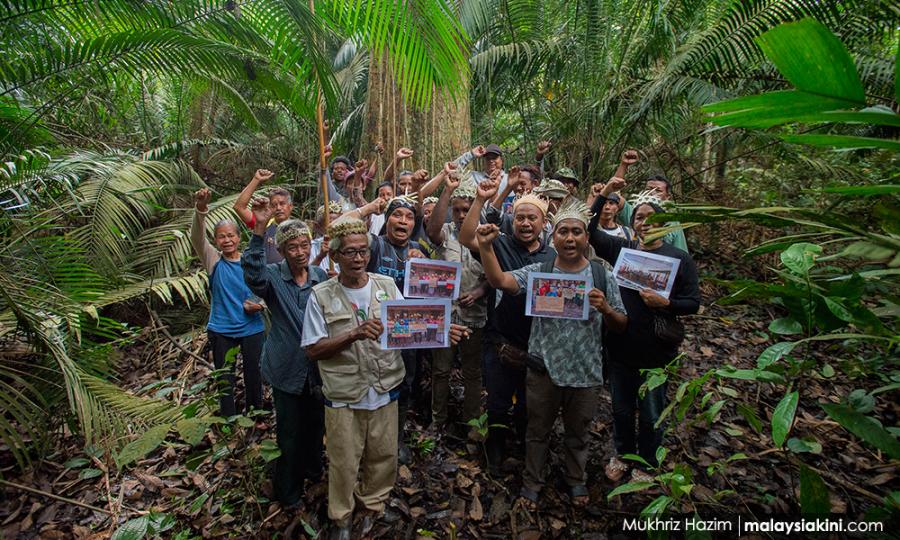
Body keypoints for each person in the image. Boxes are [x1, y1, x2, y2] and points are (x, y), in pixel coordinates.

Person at [302, 216, 468, 540]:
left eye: (363, 251)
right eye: (350, 252)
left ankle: (372, 506)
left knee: (383, 454)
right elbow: (313, 349)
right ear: (334, 255)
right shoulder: (321, 295)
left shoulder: (386, 286)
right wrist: (353, 334)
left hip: (383, 386)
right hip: (345, 392)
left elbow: (408, 325)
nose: (358, 258)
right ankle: (341, 518)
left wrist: (442, 329)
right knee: (344, 461)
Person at [475, 198, 627, 507]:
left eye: (576, 232)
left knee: (578, 432)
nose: (570, 238)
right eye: (563, 232)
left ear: (587, 237)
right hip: (543, 368)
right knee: (537, 430)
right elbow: (500, 281)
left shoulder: (602, 276)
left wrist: (606, 309)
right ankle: (533, 480)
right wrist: (487, 248)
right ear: (552, 237)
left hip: (585, 371)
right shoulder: (539, 272)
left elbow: (622, 324)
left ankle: (576, 479)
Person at [588, 178, 701, 483]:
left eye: (652, 217)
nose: (645, 222)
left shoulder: (679, 258)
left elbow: (693, 303)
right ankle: (623, 455)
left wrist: (667, 303)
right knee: (621, 409)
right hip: (620, 344)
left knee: (651, 412)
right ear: (633, 222)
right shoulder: (621, 248)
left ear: (664, 223)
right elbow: (590, 230)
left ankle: (648, 463)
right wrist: (605, 193)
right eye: (639, 217)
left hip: (656, 350)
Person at [458, 172, 556, 475]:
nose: (525, 223)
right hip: (500, 338)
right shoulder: (499, 244)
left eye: (532, 218)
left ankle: (527, 452)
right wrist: (480, 200)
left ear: (543, 223)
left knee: (530, 403)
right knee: (498, 401)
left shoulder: (553, 255)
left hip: (537, 342)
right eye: (520, 218)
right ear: (512, 221)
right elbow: (466, 237)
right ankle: (495, 454)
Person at [242, 199, 328, 508]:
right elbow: (253, 274)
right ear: (281, 250)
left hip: (317, 367)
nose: (300, 252)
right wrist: (258, 229)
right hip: (287, 365)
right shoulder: (273, 277)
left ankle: (314, 471)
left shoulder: (319, 277)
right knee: (289, 432)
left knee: (316, 424)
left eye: (304, 245)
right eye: (292, 247)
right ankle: (288, 492)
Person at [191, 188, 264, 417]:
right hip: (222, 329)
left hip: (252, 327)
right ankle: (229, 419)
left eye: (231, 235)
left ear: (238, 238)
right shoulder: (213, 260)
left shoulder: (250, 260)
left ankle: (255, 415)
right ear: (216, 240)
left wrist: (260, 305)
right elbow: (196, 238)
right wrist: (201, 209)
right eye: (222, 237)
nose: (227, 240)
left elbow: (266, 288)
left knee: (254, 373)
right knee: (225, 378)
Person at [426, 171, 489, 434]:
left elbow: (494, 275)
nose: (462, 215)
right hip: (445, 315)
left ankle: (472, 423)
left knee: (472, 372)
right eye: (458, 210)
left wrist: (479, 292)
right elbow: (431, 231)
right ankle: (438, 421)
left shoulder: (486, 235)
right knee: (441, 370)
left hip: (474, 315)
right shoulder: (446, 232)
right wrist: (447, 190)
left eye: (467, 209)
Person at [612, 149, 689, 252]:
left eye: (658, 190)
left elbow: (681, 254)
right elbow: (614, 194)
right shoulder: (635, 213)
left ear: (667, 197)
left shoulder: (673, 223)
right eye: (648, 189)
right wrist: (624, 164)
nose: (652, 193)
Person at [232, 169, 294, 263]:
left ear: (290, 206)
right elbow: (239, 207)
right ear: (269, 207)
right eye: (274, 205)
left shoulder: (299, 228)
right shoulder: (263, 224)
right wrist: (256, 179)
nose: (278, 208)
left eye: (282, 204)